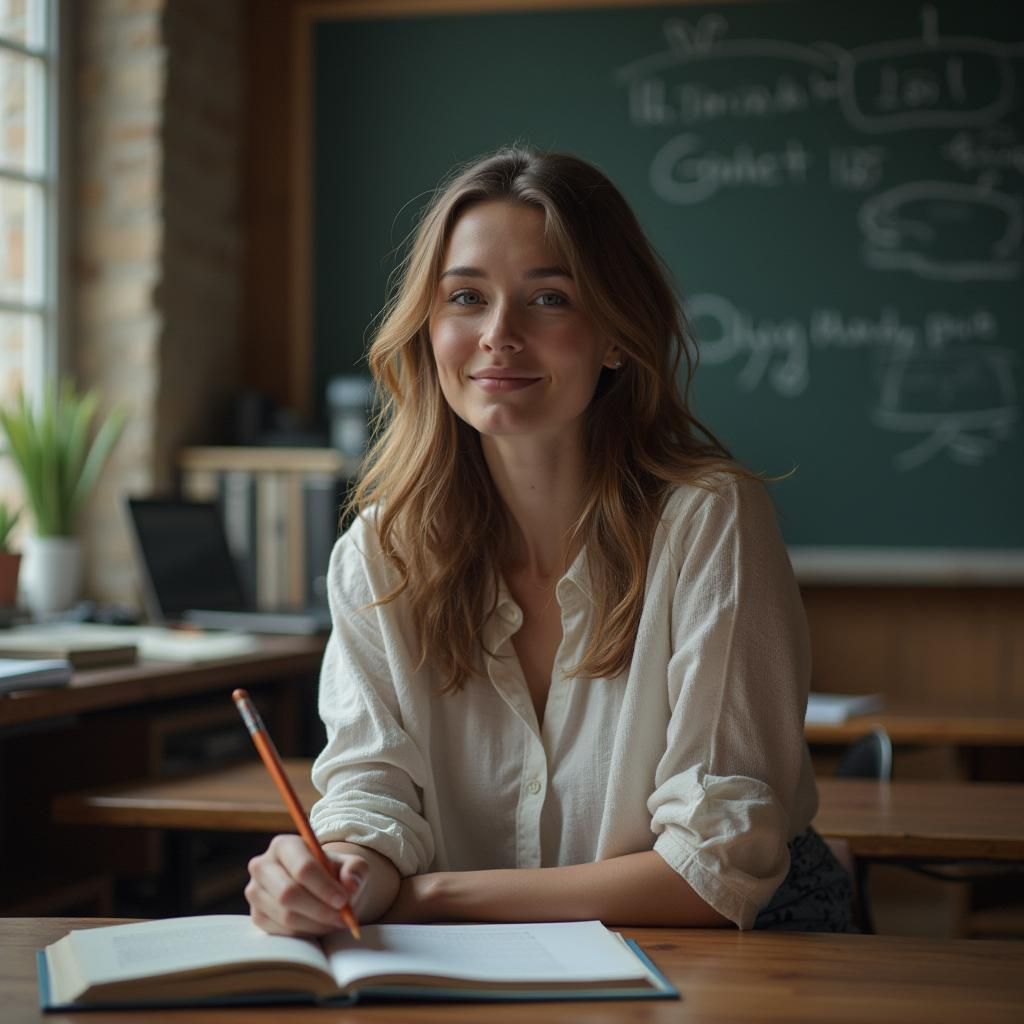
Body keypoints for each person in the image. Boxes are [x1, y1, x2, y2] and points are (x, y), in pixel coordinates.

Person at [245, 146, 852, 936]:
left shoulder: (709, 518)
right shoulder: (379, 550)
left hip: (735, 952)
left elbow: (713, 868)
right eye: (465, 296)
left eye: (550, 299)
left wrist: (428, 897)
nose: (499, 334)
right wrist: (348, 869)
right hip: (481, 963)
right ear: (429, 329)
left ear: (616, 337)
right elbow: (371, 789)